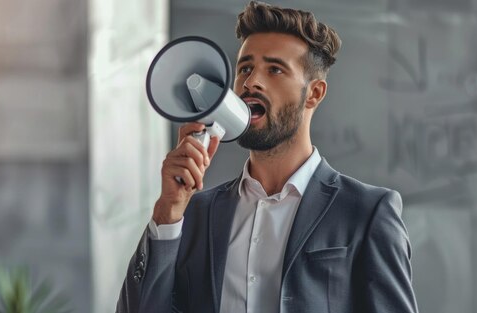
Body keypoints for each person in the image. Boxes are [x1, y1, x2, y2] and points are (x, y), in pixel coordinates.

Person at [117, 1, 418, 312]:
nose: (251, 83)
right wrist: (168, 212)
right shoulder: (194, 214)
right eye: (245, 68)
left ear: (313, 93)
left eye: (274, 70)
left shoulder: (367, 213)